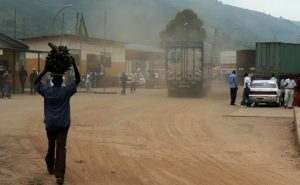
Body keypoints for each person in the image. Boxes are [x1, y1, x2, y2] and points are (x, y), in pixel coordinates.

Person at [35, 60, 80, 185]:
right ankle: (59, 176)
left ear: (52, 81)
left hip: (50, 124)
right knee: (61, 148)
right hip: (63, 125)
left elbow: (36, 83)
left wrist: (45, 70)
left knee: (51, 145)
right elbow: (78, 80)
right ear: (61, 81)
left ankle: (50, 164)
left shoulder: (46, 91)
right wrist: (74, 65)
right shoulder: (66, 91)